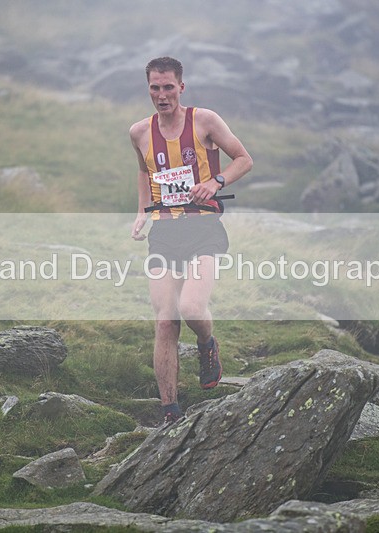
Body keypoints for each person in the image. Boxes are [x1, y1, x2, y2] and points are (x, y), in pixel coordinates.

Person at [130, 57, 253, 427]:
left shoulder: (205, 120)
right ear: (148, 88)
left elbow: (244, 159)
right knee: (165, 319)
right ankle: (169, 411)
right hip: (165, 233)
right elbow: (143, 171)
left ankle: (206, 345)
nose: (162, 95)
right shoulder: (139, 132)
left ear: (181, 87)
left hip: (203, 229)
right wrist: (141, 212)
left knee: (192, 308)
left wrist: (216, 182)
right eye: (155, 87)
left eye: (169, 87)